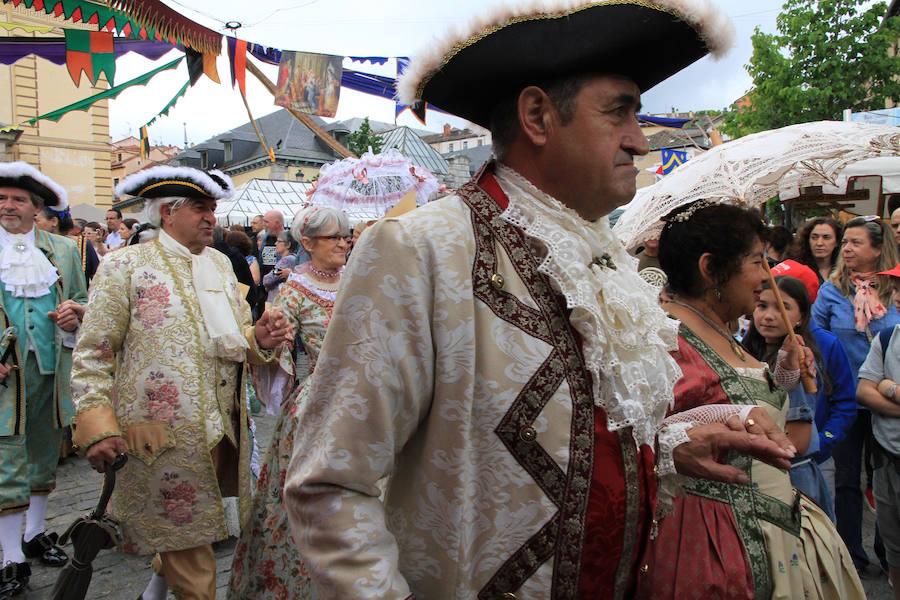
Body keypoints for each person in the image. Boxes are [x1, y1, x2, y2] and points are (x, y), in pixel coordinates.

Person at [282, 2, 798, 597]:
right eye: (620, 112)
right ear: (537, 116)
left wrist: (674, 445)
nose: (639, 138)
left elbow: (583, 436)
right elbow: (330, 485)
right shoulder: (420, 251)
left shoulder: (607, 261)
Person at [69, 166, 292, 600]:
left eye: (213, 209)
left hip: (224, 430)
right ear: (167, 214)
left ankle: (152, 592)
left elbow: (236, 340)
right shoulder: (124, 265)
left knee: (189, 529)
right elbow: (95, 351)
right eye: (200, 209)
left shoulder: (222, 266)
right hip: (160, 434)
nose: (211, 217)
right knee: (190, 548)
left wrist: (259, 339)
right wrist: (97, 424)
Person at [638, 202, 863, 599]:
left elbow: (750, 401)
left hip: (783, 524)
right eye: (757, 261)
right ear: (711, 268)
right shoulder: (661, 339)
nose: (766, 275)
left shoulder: (721, 329)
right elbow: (642, 433)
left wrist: (785, 372)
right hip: (715, 542)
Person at [228, 206, 348, 600]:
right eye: (335, 237)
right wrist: (273, 338)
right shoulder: (294, 289)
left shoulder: (362, 280)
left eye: (347, 235)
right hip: (319, 403)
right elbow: (276, 348)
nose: (344, 242)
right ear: (309, 243)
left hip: (370, 399)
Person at [0, 162, 88, 598]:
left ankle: (35, 533)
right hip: (4, 375)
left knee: (44, 449)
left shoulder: (64, 251)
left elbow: (84, 304)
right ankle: (10, 556)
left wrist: (75, 316)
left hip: (51, 369)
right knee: (6, 457)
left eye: (18, 199)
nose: (7, 206)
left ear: (38, 208)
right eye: (1, 198)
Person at [813, 214, 900, 578]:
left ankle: (888, 547)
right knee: (847, 478)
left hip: (886, 400)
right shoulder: (832, 290)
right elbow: (815, 335)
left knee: (884, 476)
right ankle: (853, 554)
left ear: (878, 250)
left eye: (855, 243)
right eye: (844, 242)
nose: (845, 249)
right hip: (847, 396)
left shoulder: (894, 289)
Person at [744, 275, 835, 518]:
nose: (769, 315)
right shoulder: (752, 354)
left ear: (801, 318)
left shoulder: (797, 364)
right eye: (762, 305)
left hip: (789, 479)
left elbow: (798, 441)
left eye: (782, 307)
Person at [857, 262, 900, 600]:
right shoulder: (887, 338)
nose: (898, 297)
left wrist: (889, 387)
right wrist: (886, 388)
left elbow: (877, 386)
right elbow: (863, 390)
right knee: (894, 546)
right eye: (897, 290)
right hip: (888, 460)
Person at [787, 216, 842, 284]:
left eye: (826, 237)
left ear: (837, 242)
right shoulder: (796, 271)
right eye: (814, 237)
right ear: (808, 240)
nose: (819, 243)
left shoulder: (844, 271)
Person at [261, 231, 299, 305]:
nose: (275, 244)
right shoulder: (292, 259)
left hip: (277, 301)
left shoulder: (287, 260)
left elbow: (268, 280)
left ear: (288, 245)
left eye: (278, 241)